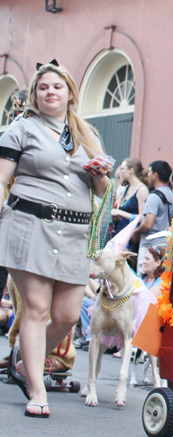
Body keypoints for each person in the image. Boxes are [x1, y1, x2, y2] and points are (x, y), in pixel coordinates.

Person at [0, 63, 111, 418]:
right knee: (36, 308)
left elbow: (102, 191)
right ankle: (36, 389)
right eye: (43, 88)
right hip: (30, 225)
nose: (51, 92)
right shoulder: (21, 129)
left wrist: (100, 178)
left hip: (76, 232)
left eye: (57, 87)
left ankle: (22, 362)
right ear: (34, 96)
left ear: (70, 94)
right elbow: (2, 178)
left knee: (66, 316)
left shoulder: (86, 135)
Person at [131, 160, 173, 276]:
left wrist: (136, 233)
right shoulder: (170, 194)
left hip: (150, 245)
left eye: (150, 172)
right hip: (165, 243)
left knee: (144, 278)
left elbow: (148, 224)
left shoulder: (153, 196)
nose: (148, 175)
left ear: (155, 175)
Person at [110, 157, 148, 236]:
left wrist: (120, 212)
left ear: (131, 170)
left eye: (122, 169)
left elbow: (142, 218)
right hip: (120, 232)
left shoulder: (141, 189)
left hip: (130, 236)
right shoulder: (126, 188)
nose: (120, 172)